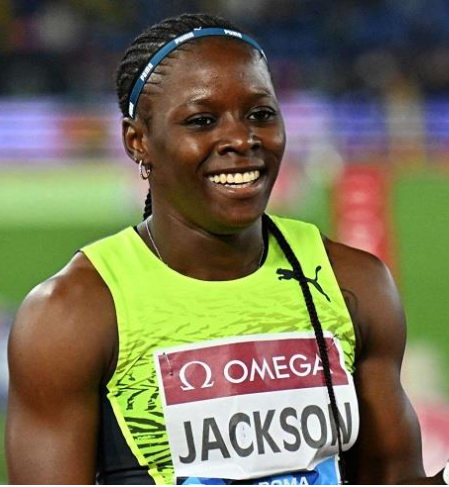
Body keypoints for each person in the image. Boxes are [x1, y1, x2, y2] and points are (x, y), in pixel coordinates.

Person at [5, 12, 448, 486]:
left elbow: (392, 479)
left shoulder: (354, 282)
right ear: (138, 141)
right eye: (202, 120)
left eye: (261, 114)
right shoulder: (72, 314)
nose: (241, 139)